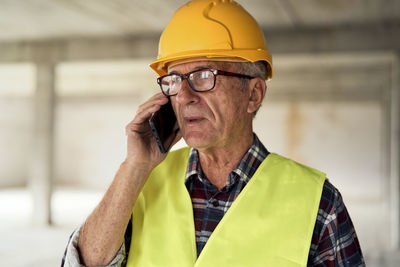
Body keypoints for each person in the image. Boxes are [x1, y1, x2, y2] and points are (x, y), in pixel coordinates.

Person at [62, 0, 365, 266]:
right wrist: (134, 167)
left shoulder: (319, 203)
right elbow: (85, 263)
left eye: (204, 76)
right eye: (175, 80)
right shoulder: (142, 181)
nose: (183, 96)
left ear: (254, 94)